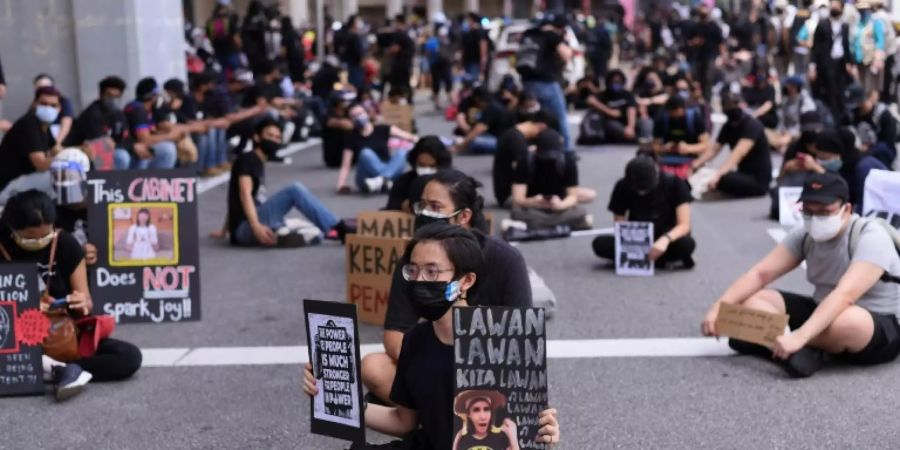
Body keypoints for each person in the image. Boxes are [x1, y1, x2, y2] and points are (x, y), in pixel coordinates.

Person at [306, 223, 560, 450]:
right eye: (413, 271)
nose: (419, 281)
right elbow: (404, 421)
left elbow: (527, 431)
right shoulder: (416, 339)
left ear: (466, 281)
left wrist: (546, 433)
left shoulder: (505, 339)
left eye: (432, 271)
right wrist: (333, 396)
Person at [701, 173, 900, 378]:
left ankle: (773, 341)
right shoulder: (805, 233)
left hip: (875, 325)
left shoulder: (871, 236)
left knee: (848, 321)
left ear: (846, 209)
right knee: (755, 299)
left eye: (824, 212)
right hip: (823, 308)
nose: (815, 219)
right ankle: (792, 349)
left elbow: (845, 295)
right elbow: (761, 273)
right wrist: (718, 307)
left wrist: (800, 336)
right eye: (808, 211)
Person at [361, 170, 533, 405]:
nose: (424, 213)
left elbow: (521, 340)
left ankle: (434, 413)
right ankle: (426, 412)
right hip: (432, 365)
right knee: (373, 366)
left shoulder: (506, 259)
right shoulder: (415, 258)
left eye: (434, 206)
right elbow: (395, 333)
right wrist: (433, 373)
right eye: (421, 205)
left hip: (487, 372)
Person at [0, 190, 142, 399]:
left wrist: (79, 302)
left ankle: (55, 369)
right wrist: (23, 308)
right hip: (10, 338)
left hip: (57, 336)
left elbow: (86, 302)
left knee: (129, 357)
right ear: (12, 228)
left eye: (46, 235)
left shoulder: (65, 244)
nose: (39, 241)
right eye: (30, 238)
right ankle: (55, 370)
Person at [215, 118, 346, 247]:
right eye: (269, 135)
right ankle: (339, 228)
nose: (274, 140)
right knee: (294, 190)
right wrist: (255, 227)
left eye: (277, 137)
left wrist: (224, 230)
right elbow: (245, 194)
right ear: (257, 137)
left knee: (314, 232)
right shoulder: (248, 160)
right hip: (246, 228)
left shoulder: (257, 161)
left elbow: (235, 199)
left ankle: (287, 233)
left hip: (246, 226)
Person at [592, 154, 696, 269]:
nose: (642, 193)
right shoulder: (622, 186)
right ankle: (654, 260)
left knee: (687, 244)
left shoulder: (675, 183)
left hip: (666, 236)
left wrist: (665, 240)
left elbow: (684, 225)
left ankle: (647, 259)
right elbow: (619, 223)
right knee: (600, 244)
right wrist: (631, 243)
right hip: (636, 237)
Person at [510, 129, 595, 231]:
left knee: (581, 209)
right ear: (536, 150)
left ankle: (536, 225)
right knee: (516, 211)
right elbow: (518, 198)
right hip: (534, 204)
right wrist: (533, 202)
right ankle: (563, 223)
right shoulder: (525, 161)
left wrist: (560, 205)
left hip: (558, 201)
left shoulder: (567, 161)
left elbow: (572, 196)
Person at [693, 91, 772, 198]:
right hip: (743, 173)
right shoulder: (728, 126)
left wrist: (718, 175)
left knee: (723, 178)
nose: (732, 107)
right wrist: (695, 165)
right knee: (706, 172)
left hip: (758, 180)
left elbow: (739, 152)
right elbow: (714, 150)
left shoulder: (752, 125)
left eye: (735, 104)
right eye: (728, 104)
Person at [519, 15, 573, 150]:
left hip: (527, 82)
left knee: (538, 117)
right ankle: (567, 149)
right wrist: (565, 42)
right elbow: (566, 55)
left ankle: (541, 146)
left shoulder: (530, 33)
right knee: (560, 116)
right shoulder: (552, 35)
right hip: (546, 82)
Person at [336, 104, 417, 194]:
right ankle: (386, 180)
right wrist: (341, 184)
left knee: (402, 151)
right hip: (366, 178)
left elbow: (409, 137)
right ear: (351, 120)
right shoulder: (351, 137)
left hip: (387, 167)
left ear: (366, 113)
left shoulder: (383, 129)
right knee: (365, 153)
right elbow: (345, 165)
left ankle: (381, 180)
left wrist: (421, 141)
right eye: (354, 116)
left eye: (360, 114)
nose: (358, 118)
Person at [0, 86, 62, 203]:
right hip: (7, 187)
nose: (48, 108)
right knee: (58, 176)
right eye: (44, 104)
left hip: (23, 182)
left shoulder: (44, 125)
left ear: (59, 108)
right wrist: (67, 159)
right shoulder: (29, 124)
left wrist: (81, 151)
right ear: (35, 104)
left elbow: (57, 150)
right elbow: (41, 164)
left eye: (53, 105)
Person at [63, 76, 132, 170]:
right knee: (121, 157)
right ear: (100, 94)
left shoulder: (119, 114)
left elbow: (127, 139)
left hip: (110, 150)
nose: (113, 99)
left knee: (139, 154)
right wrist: (112, 144)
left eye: (117, 97)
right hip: (82, 155)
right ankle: (112, 183)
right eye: (109, 95)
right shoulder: (92, 114)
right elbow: (99, 145)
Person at [493, 108, 556, 207]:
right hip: (511, 194)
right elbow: (520, 171)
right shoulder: (517, 140)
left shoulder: (513, 134)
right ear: (542, 126)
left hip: (505, 191)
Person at [122, 78, 181, 170]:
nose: (158, 98)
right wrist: (170, 136)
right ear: (152, 96)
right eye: (156, 95)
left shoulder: (149, 109)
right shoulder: (138, 109)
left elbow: (155, 130)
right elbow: (144, 139)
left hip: (136, 148)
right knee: (168, 149)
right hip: (132, 150)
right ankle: (156, 181)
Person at [385, 136, 452, 212]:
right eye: (422, 165)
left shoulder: (452, 184)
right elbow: (390, 213)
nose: (426, 170)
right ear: (415, 161)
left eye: (431, 166)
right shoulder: (402, 182)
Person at [810, 0, 851, 120]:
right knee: (830, 92)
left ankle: (841, 119)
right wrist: (812, 66)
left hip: (841, 64)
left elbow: (846, 45)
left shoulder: (844, 26)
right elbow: (815, 47)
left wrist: (849, 63)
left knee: (840, 93)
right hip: (827, 64)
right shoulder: (823, 24)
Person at [652, 96, 708, 180]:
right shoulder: (662, 119)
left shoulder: (695, 119)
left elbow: (705, 145)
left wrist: (688, 148)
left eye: (675, 111)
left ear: (681, 109)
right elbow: (654, 145)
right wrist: (663, 148)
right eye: (670, 112)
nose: (672, 114)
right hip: (667, 157)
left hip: (691, 157)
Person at [844, 83, 897, 168]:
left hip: (880, 153)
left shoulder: (882, 114)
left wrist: (868, 149)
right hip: (859, 151)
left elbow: (889, 143)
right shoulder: (852, 114)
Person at [452, 87, 516, 154]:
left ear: (477, 99)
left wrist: (461, 144)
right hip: (504, 138)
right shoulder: (495, 104)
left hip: (501, 142)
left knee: (473, 141)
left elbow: (480, 128)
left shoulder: (490, 109)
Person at [582, 69, 638, 144]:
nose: (616, 84)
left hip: (626, 121)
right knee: (612, 125)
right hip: (610, 123)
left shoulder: (627, 95)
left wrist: (631, 127)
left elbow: (628, 111)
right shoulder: (604, 95)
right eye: (614, 82)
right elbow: (591, 101)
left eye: (619, 81)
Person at [685, 4, 726, 100]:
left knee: (708, 78)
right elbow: (688, 42)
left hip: (710, 56)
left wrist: (722, 56)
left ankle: (707, 99)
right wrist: (694, 42)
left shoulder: (713, 26)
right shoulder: (694, 26)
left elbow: (721, 42)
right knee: (697, 79)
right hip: (697, 57)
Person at [453, 390, 518, 450]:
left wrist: (513, 438)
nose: (483, 417)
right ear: (469, 414)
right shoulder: (461, 438)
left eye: (486, 409)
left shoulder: (501, 437)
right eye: (476, 410)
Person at [850, 0, 886, 96]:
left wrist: (877, 58)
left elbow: (880, 42)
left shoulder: (875, 23)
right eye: (861, 10)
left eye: (865, 9)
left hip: (871, 60)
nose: (863, 12)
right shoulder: (857, 24)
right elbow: (853, 42)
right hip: (859, 60)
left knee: (872, 87)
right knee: (861, 87)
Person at [33, 74, 75, 148]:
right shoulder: (34, 104)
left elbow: (66, 122)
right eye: (40, 88)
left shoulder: (63, 101)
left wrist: (58, 143)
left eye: (53, 105)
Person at [205, 0, 242, 78]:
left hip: (218, 52)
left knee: (222, 75)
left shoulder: (210, 21)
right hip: (231, 52)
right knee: (238, 74)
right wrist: (240, 48)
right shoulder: (230, 20)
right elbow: (236, 38)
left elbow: (209, 38)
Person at [461, 13, 489, 80]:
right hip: (468, 61)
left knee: (474, 81)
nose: (467, 22)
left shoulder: (480, 32)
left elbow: (483, 46)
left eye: (468, 20)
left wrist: (483, 61)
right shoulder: (468, 32)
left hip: (476, 62)